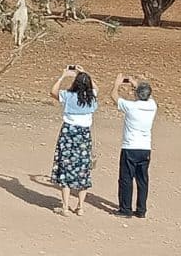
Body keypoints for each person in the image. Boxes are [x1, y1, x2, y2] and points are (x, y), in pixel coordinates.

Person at [49, 65, 99, 216]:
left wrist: (63, 76)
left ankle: (65, 207)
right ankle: (80, 206)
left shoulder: (69, 96)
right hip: (84, 135)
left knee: (66, 167)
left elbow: (53, 92)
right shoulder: (91, 97)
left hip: (69, 133)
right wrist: (84, 73)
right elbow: (96, 88)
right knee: (83, 168)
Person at [111, 74, 157, 218]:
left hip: (130, 147)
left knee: (126, 178)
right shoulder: (152, 105)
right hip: (145, 148)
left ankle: (125, 209)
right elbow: (146, 95)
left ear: (136, 94)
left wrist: (117, 84)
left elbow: (114, 96)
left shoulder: (131, 106)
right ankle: (141, 210)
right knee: (142, 180)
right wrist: (135, 83)